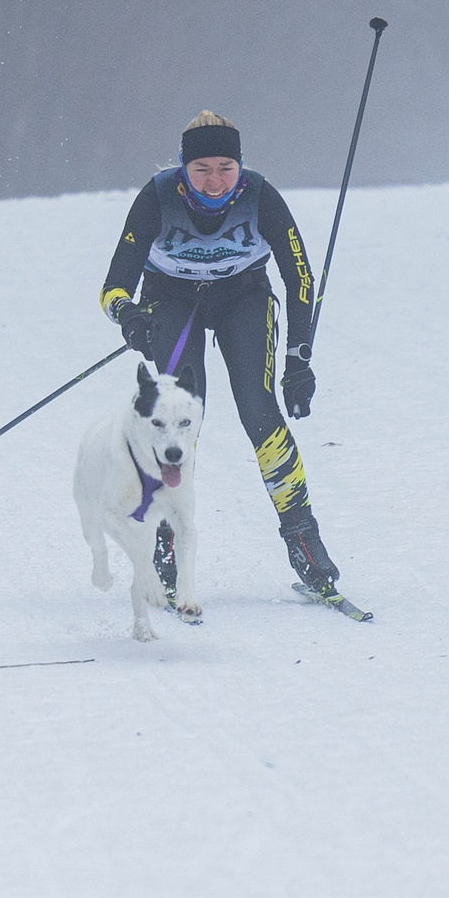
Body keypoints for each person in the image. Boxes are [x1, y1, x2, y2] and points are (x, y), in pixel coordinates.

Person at [99, 110, 343, 596]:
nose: (215, 181)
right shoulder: (157, 197)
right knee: (177, 418)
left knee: (260, 410)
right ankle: (164, 541)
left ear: (241, 165)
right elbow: (114, 287)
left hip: (243, 297)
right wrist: (130, 317)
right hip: (172, 300)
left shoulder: (259, 195)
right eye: (202, 169)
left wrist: (299, 360)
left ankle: (302, 538)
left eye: (226, 168)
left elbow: (301, 279)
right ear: (183, 170)